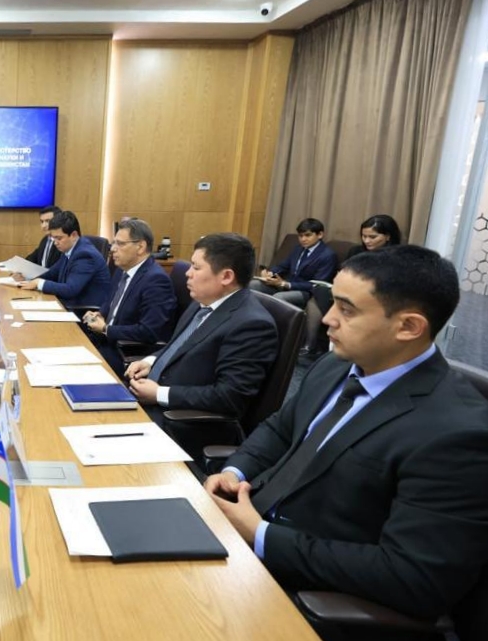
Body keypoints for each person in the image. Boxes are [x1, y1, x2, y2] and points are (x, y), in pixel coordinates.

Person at [205, 245, 488, 626]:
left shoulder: (457, 433)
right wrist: (234, 471)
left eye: (347, 310)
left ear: (408, 327)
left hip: (306, 592)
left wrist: (261, 535)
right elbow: (280, 429)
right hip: (244, 538)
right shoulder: (336, 365)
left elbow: (413, 577)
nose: (327, 319)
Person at [125, 232, 277, 430]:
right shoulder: (203, 302)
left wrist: (160, 394)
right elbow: (178, 346)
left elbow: (229, 397)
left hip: (179, 423)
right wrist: (150, 361)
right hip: (149, 399)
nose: (188, 273)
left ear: (226, 276)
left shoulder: (252, 325)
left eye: (196, 267)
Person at [82, 218, 176, 371]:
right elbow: (110, 303)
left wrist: (106, 329)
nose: (112, 249)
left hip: (123, 353)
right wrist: (99, 314)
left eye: (120, 244)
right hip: (104, 341)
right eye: (113, 243)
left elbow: (148, 331)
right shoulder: (122, 270)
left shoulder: (156, 280)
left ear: (140, 247)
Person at [306, 214, 403, 357]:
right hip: (346, 290)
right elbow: (343, 271)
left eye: (372, 237)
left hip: (373, 296)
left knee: (332, 299)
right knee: (319, 291)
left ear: (388, 236)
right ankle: (310, 346)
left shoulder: (397, 257)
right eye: (364, 236)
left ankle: (330, 348)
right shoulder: (356, 251)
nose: (367, 241)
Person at [14, 210, 111, 308]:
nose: (55, 243)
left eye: (59, 238)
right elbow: (52, 273)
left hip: (82, 310)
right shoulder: (69, 249)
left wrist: (39, 283)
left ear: (73, 235)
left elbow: (70, 289)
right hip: (67, 303)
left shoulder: (84, 255)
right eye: (53, 238)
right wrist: (27, 276)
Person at [251, 218, 337, 307]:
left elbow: (317, 285)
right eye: (300, 236)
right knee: (252, 285)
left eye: (308, 235)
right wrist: (270, 273)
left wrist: (286, 284)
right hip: (285, 285)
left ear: (320, 234)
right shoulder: (298, 248)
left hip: (305, 292)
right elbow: (283, 266)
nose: (303, 239)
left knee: (279, 297)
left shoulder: (327, 255)